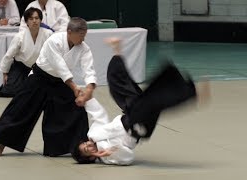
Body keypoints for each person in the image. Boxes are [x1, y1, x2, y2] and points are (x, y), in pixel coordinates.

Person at [71, 38, 210, 165]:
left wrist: (87, 100)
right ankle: (192, 94)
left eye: (85, 145)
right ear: (90, 157)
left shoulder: (93, 134)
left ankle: (117, 51)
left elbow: (99, 115)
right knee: (153, 101)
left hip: (129, 113)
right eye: (87, 150)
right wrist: (110, 152)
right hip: (137, 126)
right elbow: (128, 157)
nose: (88, 145)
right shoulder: (107, 157)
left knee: (117, 84)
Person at [0, 17, 97, 157]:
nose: (83, 39)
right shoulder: (54, 40)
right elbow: (60, 66)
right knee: (20, 110)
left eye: (85, 35)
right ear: (69, 32)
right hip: (39, 78)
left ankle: (80, 149)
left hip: (60, 83)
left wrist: (89, 89)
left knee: (76, 111)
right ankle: (0, 146)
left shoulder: (84, 48)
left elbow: (88, 69)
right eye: (81, 35)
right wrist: (74, 87)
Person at [0, 7, 53, 97]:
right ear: (26, 22)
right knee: (13, 91)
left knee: (43, 91)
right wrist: (5, 73)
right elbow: (9, 55)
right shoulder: (20, 36)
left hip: (40, 69)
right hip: (21, 68)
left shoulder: (48, 34)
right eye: (31, 19)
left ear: (41, 20)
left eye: (36, 18)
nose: (34, 21)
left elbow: (53, 54)